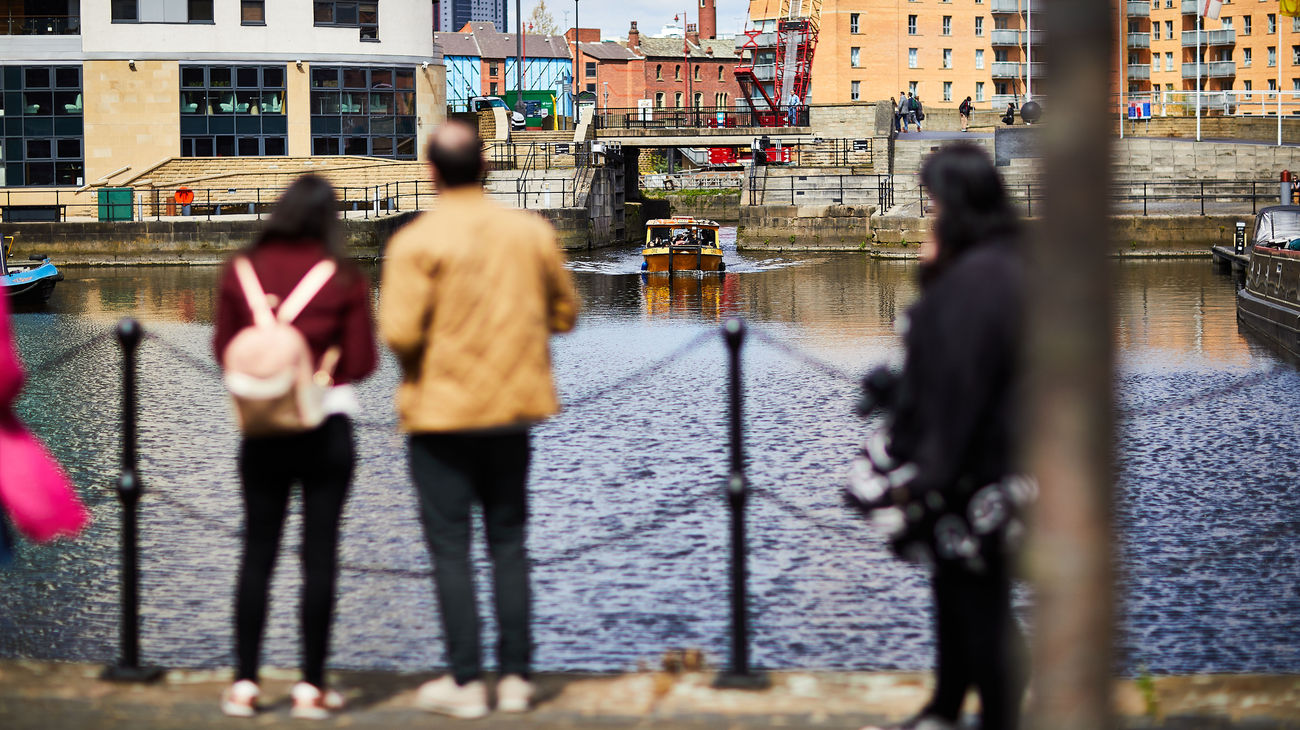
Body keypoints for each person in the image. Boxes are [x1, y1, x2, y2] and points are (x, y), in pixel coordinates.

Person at [379, 119, 578, 719]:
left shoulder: (414, 242)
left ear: (431, 171)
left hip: (440, 414)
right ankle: (516, 678)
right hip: (511, 411)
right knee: (509, 544)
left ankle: (466, 682)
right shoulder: (530, 233)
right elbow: (566, 314)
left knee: (451, 549)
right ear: (486, 168)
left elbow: (397, 332)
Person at [852, 144, 1028, 730]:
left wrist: (928, 468)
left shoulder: (980, 279)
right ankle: (948, 705)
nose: (928, 216)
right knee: (958, 589)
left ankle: (992, 715)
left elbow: (966, 378)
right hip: (984, 457)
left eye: (933, 205)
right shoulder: (996, 263)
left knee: (977, 602)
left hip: (976, 465)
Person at [213, 175, 377, 720]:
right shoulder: (342, 279)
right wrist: (320, 368)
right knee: (320, 555)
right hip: (325, 428)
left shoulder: (240, 273)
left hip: (261, 433)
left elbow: (224, 351)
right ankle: (310, 686)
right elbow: (363, 362)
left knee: (257, 552)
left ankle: (244, 685)